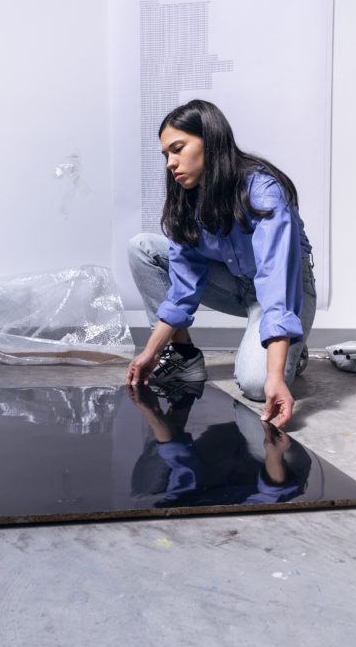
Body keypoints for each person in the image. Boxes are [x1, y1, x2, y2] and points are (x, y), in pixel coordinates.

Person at [125, 100, 317, 428]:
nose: (171, 163)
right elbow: (183, 286)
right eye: (166, 155)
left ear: (210, 142)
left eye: (178, 149)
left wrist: (275, 375)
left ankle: (287, 351)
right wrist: (151, 351)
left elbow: (276, 284)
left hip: (284, 291)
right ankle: (184, 358)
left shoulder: (262, 190)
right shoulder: (186, 200)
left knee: (258, 386)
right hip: (234, 285)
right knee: (143, 248)